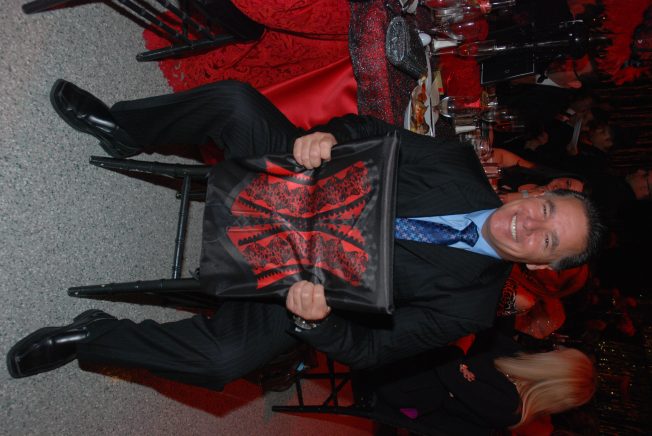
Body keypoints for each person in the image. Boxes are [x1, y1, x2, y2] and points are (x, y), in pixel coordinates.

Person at [7, 80, 605, 391]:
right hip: (293, 180)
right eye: (546, 208)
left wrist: (317, 324)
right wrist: (330, 138)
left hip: (293, 286)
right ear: (536, 192)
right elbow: (368, 128)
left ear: (542, 267)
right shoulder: (458, 164)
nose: (531, 224)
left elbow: (374, 351)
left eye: (548, 241)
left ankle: (93, 338)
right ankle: (124, 129)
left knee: (223, 361)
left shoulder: (469, 307)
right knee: (236, 103)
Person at [372, 329, 596, 435]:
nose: (556, 350)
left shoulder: (510, 408)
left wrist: (460, 348)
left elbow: (450, 373)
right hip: (417, 368)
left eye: (561, 354)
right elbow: (481, 331)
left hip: (406, 391)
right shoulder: (518, 356)